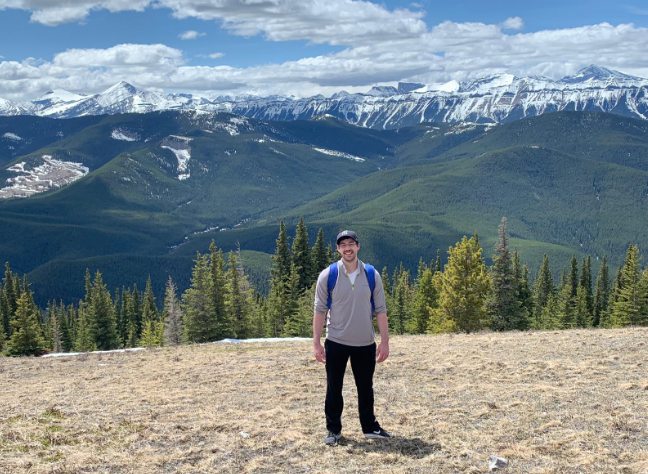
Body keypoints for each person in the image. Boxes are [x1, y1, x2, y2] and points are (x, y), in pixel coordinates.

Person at [313, 229, 393, 446]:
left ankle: (370, 428)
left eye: (351, 243)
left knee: (365, 387)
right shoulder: (328, 275)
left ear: (358, 246)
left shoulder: (371, 274)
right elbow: (319, 310)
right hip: (336, 342)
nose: (347, 248)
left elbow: (381, 310)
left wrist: (385, 341)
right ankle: (333, 431)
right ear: (338, 249)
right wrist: (317, 343)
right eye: (343, 245)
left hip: (365, 343)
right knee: (333, 388)